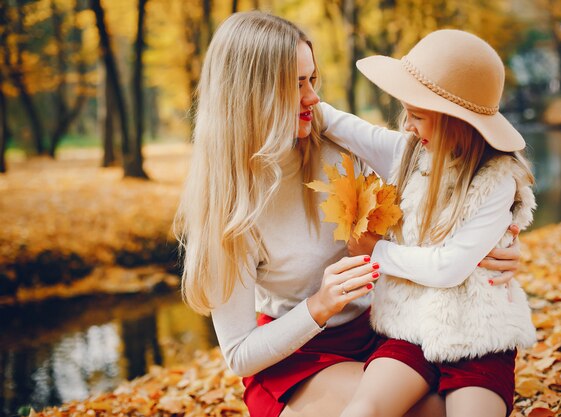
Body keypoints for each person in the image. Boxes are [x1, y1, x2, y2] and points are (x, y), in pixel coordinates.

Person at [175, 12, 522, 417]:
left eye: (313, 79)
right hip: (303, 353)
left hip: (390, 330)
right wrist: (319, 305)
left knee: (465, 400)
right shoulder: (228, 208)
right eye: (296, 84)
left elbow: (439, 189)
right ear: (253, 95)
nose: (313, 98)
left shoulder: (335, 144)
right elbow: (238, 355)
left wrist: (491, 243)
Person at [318, 30, 536, 417]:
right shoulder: (408, 154)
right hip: (408, 329)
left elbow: (449, 266)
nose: (407, 126)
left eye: (417, 116)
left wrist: (376, 251)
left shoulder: (496, 179)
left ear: (456, 122)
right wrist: (303, 96)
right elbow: (344, 126)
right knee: (366, 406)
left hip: (478, 338)